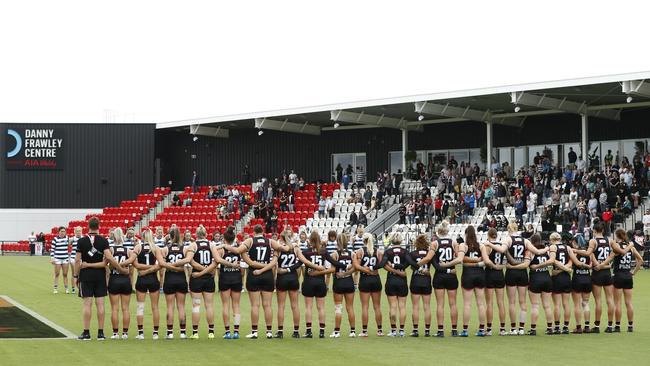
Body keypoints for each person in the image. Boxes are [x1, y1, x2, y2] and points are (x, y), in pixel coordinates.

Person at [221, 224, 289, 339]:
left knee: (255, 305)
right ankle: (269, 332)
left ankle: (254, 332)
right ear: (263, 232)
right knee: (267, 305)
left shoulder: (250, 240)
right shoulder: (270, 241)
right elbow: (285, 249)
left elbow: (238, 251)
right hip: (267, 274)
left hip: (254, 274)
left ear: (253, 232)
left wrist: (224, 245)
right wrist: (290, 242)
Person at [73, 217, 126, 340]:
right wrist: (121, 269)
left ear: (88, 226)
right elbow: (109, 257)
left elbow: (77, 260)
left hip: (85, 274)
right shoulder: (103, 241)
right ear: (99, 226)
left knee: (87, 304)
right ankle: (100, 333)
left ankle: (86, 333)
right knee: (100, 304)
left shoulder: (81, 241)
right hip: (100, 275)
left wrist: (76, 275)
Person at [503, 222, 547, 335]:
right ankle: (521, 328)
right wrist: (547, 248)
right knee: (522, 302)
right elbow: (537, 251)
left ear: (509, 229)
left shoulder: (508, 239)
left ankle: (513, 329)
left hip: (511, 271)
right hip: (522, 273)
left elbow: (503, 250)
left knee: (512, 302)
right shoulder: (526, 241)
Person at [597, 229, 642, 333]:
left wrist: (601, 265)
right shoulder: (631, 247)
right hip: (628, 276)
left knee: (617, 303)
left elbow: (609, 258)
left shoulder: (617, 247)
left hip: (618, 276)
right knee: (629, 303)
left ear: (617, 236)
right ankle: (630, 326)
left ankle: (617, 326)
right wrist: (633, 272)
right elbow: (640, 260)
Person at [155, 227, 194, 339]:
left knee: (170, 307)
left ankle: (170, 333)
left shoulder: (165, 249)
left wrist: (171, 266)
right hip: (181, 278)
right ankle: (182, 333)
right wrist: (178, 267)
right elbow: (187, 263)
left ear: (170, 236)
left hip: (170, 278)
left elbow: (162, 264)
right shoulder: (185, 248)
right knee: (181, 306)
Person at [429, 220, 465, 337]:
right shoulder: (454, 242)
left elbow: (432, 259)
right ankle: (454, 330)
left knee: (440, 304)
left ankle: (440, 330)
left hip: (439, 275)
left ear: (438, 232)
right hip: (451, 275)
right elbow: (456, 256)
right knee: (453, 303)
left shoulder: (434, 243)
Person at [295, 232, 329, 338]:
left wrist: (287, 269)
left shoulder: (305, 252)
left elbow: (298, 264)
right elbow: (329, 267)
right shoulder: (323, 252)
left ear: (310, 240)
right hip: (320, 281)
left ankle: (309, 331)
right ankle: (322, 332)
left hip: (309, 281)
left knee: (308, 307)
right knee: (321, 307)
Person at [188, 225, 218, 339]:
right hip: (209, 278)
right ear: (206, 234)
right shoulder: (211, 245)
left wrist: (201, 271)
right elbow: (216, 261)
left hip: (196, 278)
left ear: (196, 234)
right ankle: (211, 332)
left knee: (196, 305)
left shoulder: (193, 245)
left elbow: (192, 263)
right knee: (209, 305)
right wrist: (207, 270)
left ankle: (195, 333)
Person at [549, 232, 582, 335]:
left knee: (557, 304)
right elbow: (575, 261)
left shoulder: (552, 247)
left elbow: (552, 261)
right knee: (566, 303)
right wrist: (566, 269)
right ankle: (566, 327)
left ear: (551, 240)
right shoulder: (568, 248)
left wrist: (559, 270)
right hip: (566, 277)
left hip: (556, 278)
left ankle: (557, 327)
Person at [325, 233, 357, 338]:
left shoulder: (335, 254)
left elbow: (334, 270)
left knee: (338, 307)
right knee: (350, 307)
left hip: (339, 282)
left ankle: (337, 331)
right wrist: (346, 274)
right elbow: (354, 268)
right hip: (349, 281)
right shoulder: (352, 253)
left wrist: (341, 274)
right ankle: (352, 331)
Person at [106, 228, 135, 339]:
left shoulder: (110, 250)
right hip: (125, 280)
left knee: (114, 308)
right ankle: (125, 333)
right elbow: (131, 270)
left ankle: (115, 333)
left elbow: (107, 266)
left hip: (114, 279)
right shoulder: (128, 250)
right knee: (125, 308)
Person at [378, 233, 409, 337]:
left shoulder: (388, 251)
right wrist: (400, 271)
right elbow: (408, 264)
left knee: (393, 306)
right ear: (400, 240)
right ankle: (402, 330)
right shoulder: (405, 252)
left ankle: (393, 330)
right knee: (402, 306)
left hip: (391, 280)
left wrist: (393, 269)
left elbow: (383, 265)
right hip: (402, 280)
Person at [132, 229, 161, 340]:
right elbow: (159, 265)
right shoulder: (156, 248)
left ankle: (140, 333)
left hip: (142, 279)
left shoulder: (138, 247)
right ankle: (155, 333)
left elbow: (135, 264)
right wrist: (151, 268)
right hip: (153, 279)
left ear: (143, 237)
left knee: (140, 307)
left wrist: (144, 270)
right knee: (155, 307)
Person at [215, 227, 243, 339]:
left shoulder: (221, 249)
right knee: (236, 305)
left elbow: (217, 260)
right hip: (236, 278)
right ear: (234, 238)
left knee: (225, 305)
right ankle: (236, 331)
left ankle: (227, 332)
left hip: (225, 278)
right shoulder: (238, 249)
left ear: (224, 239)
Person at [353, 233, 384, 337]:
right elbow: (381, 264)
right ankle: (380, 330)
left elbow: (356, 265)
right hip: (375, 279)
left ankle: (364, 331)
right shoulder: (378, 251)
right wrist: (372, 269)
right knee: (377, 306)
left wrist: (366, 269)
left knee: (365, 307)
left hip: (365, 279)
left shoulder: (360, 251)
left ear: (364, 240)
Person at [460, 226, 487, 337]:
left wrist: (469, 262)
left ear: (466, 234)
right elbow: (485, 260)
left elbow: (461, 259)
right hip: (480, 274)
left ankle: (465, 330)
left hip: (467, 274)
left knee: (467, 304)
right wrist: (477, 261)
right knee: (480, 304)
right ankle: (481, 329)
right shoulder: (481, 246)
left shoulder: (463, 245)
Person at [275, 229, 302, 338]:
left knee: (281, 306)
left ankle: (280, 331)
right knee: (295, 306)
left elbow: (274, 264)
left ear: (281, 238)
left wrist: (284, 270)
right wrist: (290, 269)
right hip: (293, 278)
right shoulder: (295, 247)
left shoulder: (279, 248)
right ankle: (296, 331)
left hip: (282, 277)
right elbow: (301, 261)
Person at [481, 228, 508, 336]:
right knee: (501, 302)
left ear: (488, 235)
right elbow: (506, 260)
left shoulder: (487, 246)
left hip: (490, 273)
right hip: (500, 274)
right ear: (496, 235)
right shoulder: (501, 246)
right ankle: (502, 328)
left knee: (489, 303)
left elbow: (485, 261)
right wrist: (501, 266)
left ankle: (489, 328)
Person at [527, 233, 555, 336]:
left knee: (535, 305)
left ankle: (533, 329)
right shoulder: (547, 251)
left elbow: (528, 264)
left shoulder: (531, 252)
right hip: (547, 278)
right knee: (547, 306)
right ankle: (550, 328)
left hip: (535, 278)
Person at [408, 235, 433, 337]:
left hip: (416, 280)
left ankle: (415, 330)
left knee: (415, 307)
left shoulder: (413, 254)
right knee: (427, 306)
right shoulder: (429, 254)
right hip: (426, 280)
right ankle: (427, 330)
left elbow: (412, 267)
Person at [570, 236, 593, 334]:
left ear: (575, 243)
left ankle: (578, 327)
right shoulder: (589, 253)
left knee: (577, 305)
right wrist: (587, 266)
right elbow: (592, 265)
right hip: (587, 279)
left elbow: (573, 264)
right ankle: (587, 326)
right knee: (585, 303)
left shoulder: (574, 252)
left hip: (577, 279)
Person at [51, 227, 72, 294]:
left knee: (65, 274)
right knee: (57, 274)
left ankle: (66, 288)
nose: (63, 232)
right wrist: (52, 258)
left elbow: (71, 245)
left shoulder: (67, 238)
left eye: (64, 231)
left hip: (65, 258)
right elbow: (52, 249)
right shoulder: (55, 239)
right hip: (57, 258)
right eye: (61, 231)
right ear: (59, 232)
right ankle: (55, 288)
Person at [68, 226, 83, 294]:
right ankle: (73, 288)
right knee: (74, 273)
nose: (78, 232)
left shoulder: (84, 238)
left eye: (79, 231)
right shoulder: (72, 239)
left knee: (81, 274)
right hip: (73, 258)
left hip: (82, 258)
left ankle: (80, 288)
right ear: (74, 232)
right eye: (77, 231)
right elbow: (67, 246)